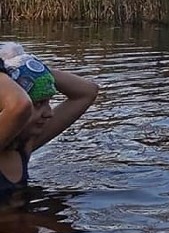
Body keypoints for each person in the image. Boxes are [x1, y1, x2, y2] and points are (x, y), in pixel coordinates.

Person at [0, 43, 99, 197]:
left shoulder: (24, 146)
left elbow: (87, 92)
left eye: (48, 102)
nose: (49, 113)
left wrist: (30, 67)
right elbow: (20, 106)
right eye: (38, 104)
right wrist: (5, 73)